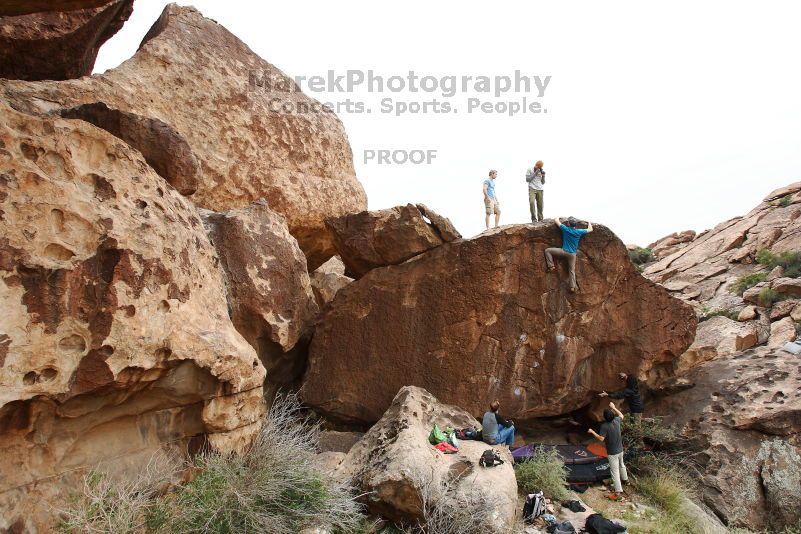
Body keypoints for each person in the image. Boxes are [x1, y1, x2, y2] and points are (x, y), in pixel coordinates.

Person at [588, 402, 628, 496]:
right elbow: (621, 415)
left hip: (612, 452)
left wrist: (592, 432)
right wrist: (614, 407)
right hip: (620, 449)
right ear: (613, 415)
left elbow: (601, 438)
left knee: (614, 471)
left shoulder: (604, 426)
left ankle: (618, 491)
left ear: (604, 417)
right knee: (622, 465)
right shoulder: (617, 420)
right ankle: (626, 480)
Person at [544, 216, 593, 292]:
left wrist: (559, 217)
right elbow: (590, 229)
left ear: (569, 224)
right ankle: (572, 287)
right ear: (575, 225)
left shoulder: (565, 229)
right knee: (571, 271)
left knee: (547, 251)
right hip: (572, 254)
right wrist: (589, 222)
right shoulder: (579, 231)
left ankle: (551, 266)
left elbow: (556, 220)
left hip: (563, 251)